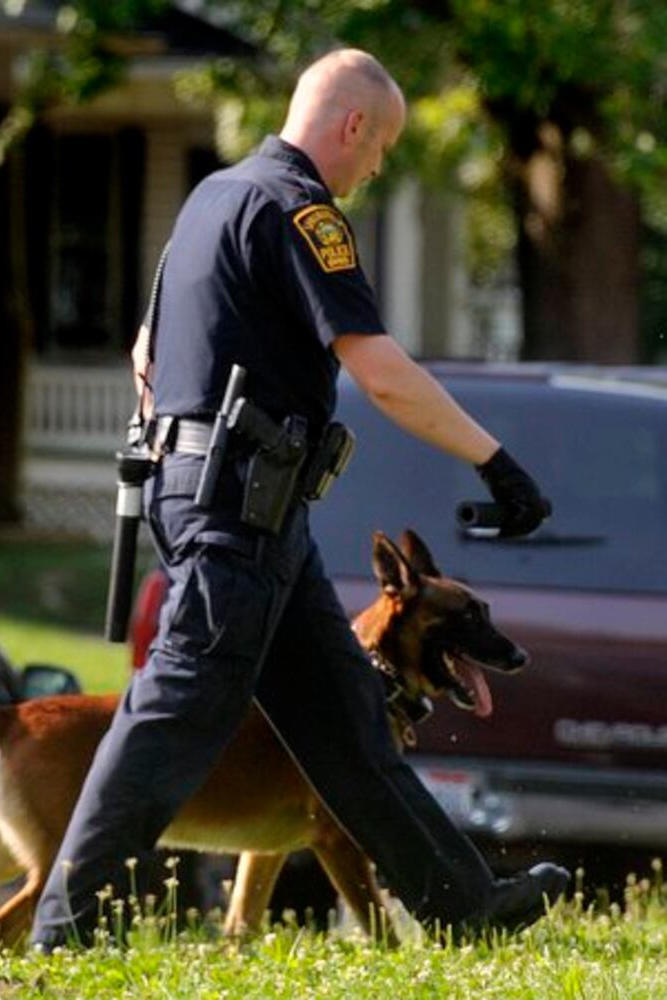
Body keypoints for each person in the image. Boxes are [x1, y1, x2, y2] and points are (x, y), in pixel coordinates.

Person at [30, 48, 568, 950]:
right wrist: (495, 463)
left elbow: (144, 355)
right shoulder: (301, 209)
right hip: (235, 509)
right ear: (352, 125)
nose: (377, 167)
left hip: (239, 506)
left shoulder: (209, 200)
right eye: (382, 146)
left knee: (348, 722)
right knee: (171, 712)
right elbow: (382, 374)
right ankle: (65, 929)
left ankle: (462, 907)